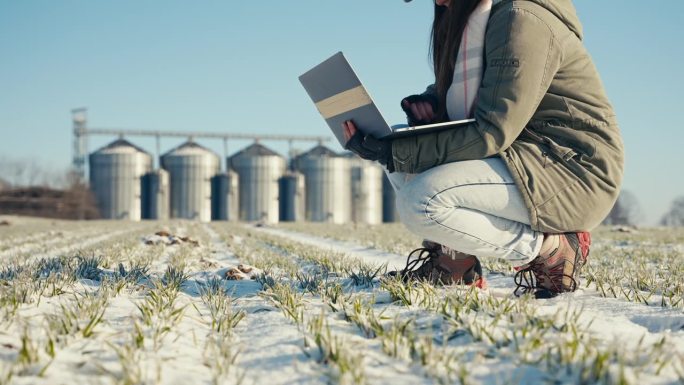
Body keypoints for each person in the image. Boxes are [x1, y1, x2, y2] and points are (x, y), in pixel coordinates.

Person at [343, 0, 624, 298]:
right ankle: (455, 264)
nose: (437, 2)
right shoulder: (487, 15)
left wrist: (397, 152)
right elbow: (478, 87)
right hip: (527, 155)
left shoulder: (522, 18)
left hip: (571, 170)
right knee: (403, 149)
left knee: (420, 202)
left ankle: (553, 250)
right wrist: (433, 103)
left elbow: (493, 129)